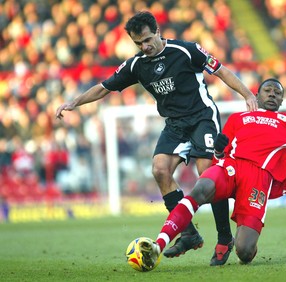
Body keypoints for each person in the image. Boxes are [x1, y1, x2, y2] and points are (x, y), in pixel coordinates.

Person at [55, 11, 258, 266]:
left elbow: (222, 71)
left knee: (208, 173)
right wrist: (74, 102)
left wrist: (248, 94)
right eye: (138, 43)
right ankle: (188, 234)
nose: (145, 46)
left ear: (158, 31)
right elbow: (104, 87)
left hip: (201, 117)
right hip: (174, 125)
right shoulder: (136, 64)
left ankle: (224, 238)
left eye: (148, 40)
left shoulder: (186, 50)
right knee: (159, 170)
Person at [138, 78, 286, 267]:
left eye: (277, 92)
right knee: (201, 188)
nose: (272, 94)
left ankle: (238, 240)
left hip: (258, 179)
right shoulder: (239, 118)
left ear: (282, 99)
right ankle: (158, 244)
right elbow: (220, 156)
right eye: (267, 90)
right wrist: (218, 151)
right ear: (256, 95)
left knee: (244, 252)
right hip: (232, 168)